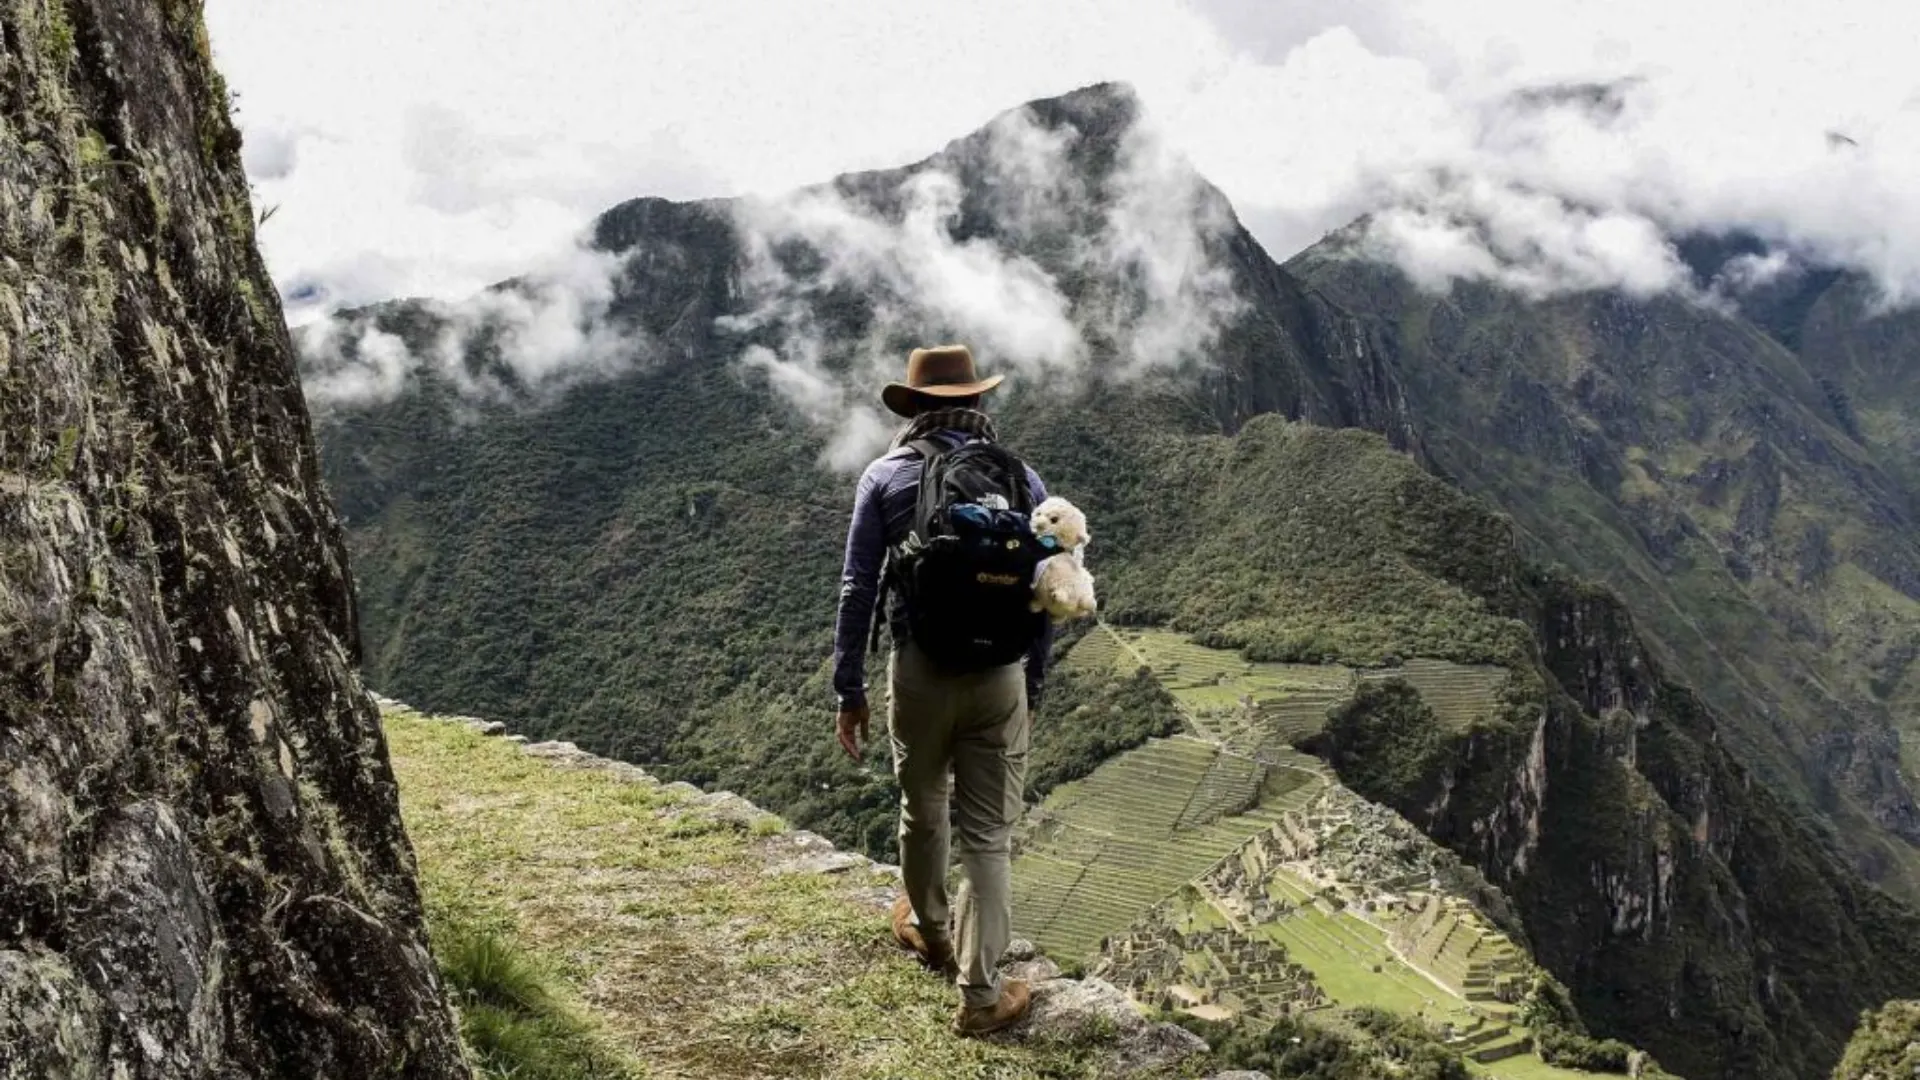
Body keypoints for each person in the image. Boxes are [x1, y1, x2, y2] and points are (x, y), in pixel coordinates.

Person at [831, 343, 1050, 1036]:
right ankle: (982, 996)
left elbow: (857, 587)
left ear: (917, 408)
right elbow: (1050, 591)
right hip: (999, 678)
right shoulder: (1024, 480)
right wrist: (1032, 683)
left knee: (921, 804)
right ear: (979, 404)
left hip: (919, 671)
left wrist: (849, 688)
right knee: (987, 838)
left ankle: (929, 929)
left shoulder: (886, 476)